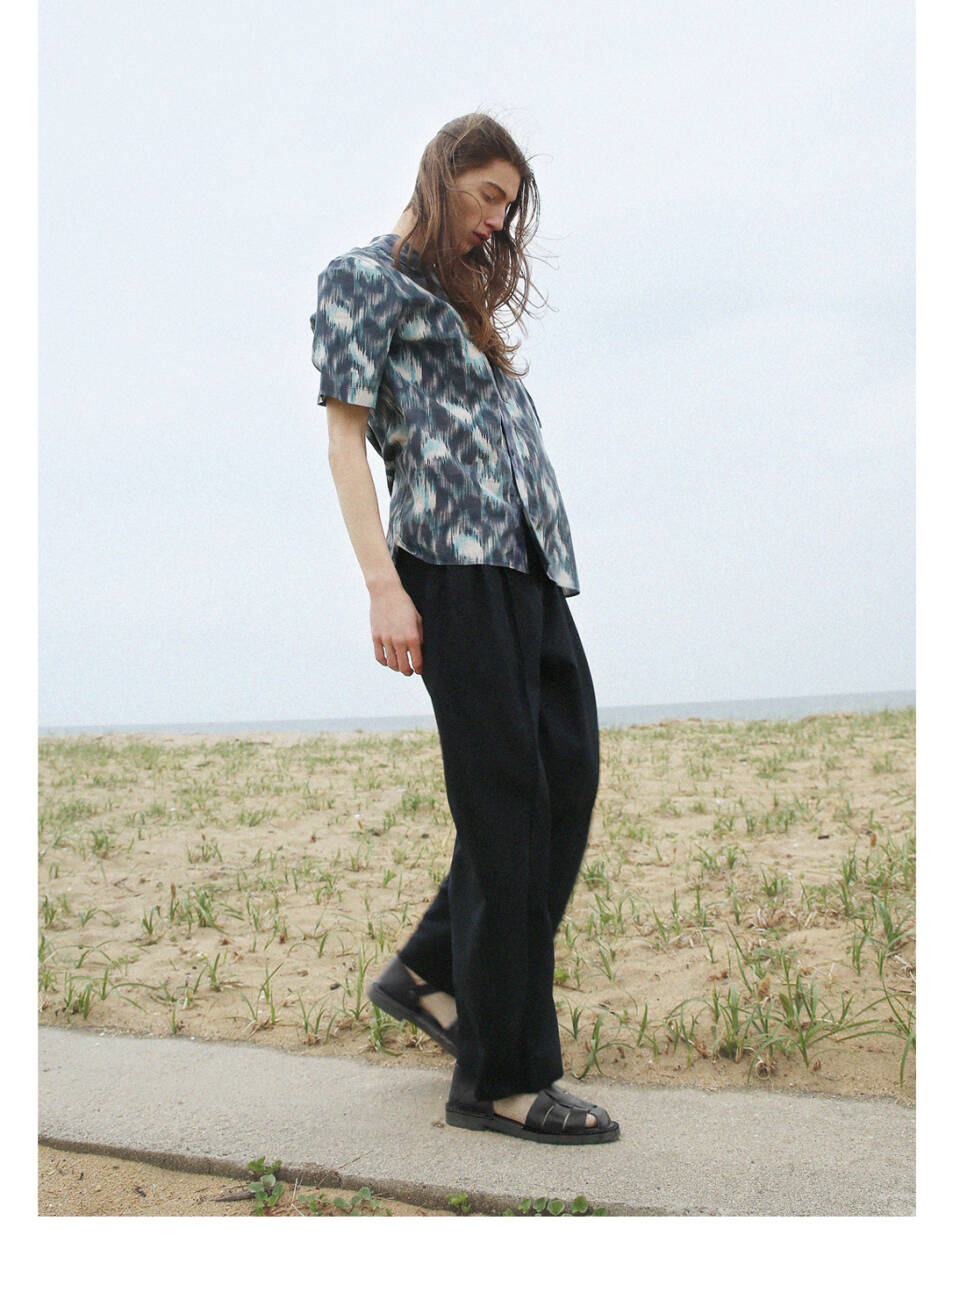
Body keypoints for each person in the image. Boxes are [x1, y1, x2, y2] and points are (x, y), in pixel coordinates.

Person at [309, 111, 618, 1145]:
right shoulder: (362, 279)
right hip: (448, 567)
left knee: (564, 778)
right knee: (505, 808)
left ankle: (432, 970)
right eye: (488, 196)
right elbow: (346, 443)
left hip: (530, 566)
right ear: (443, 174)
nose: (496, 221)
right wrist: (381, 587)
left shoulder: (461, 299)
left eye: (509, 208)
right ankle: (502, 1079)